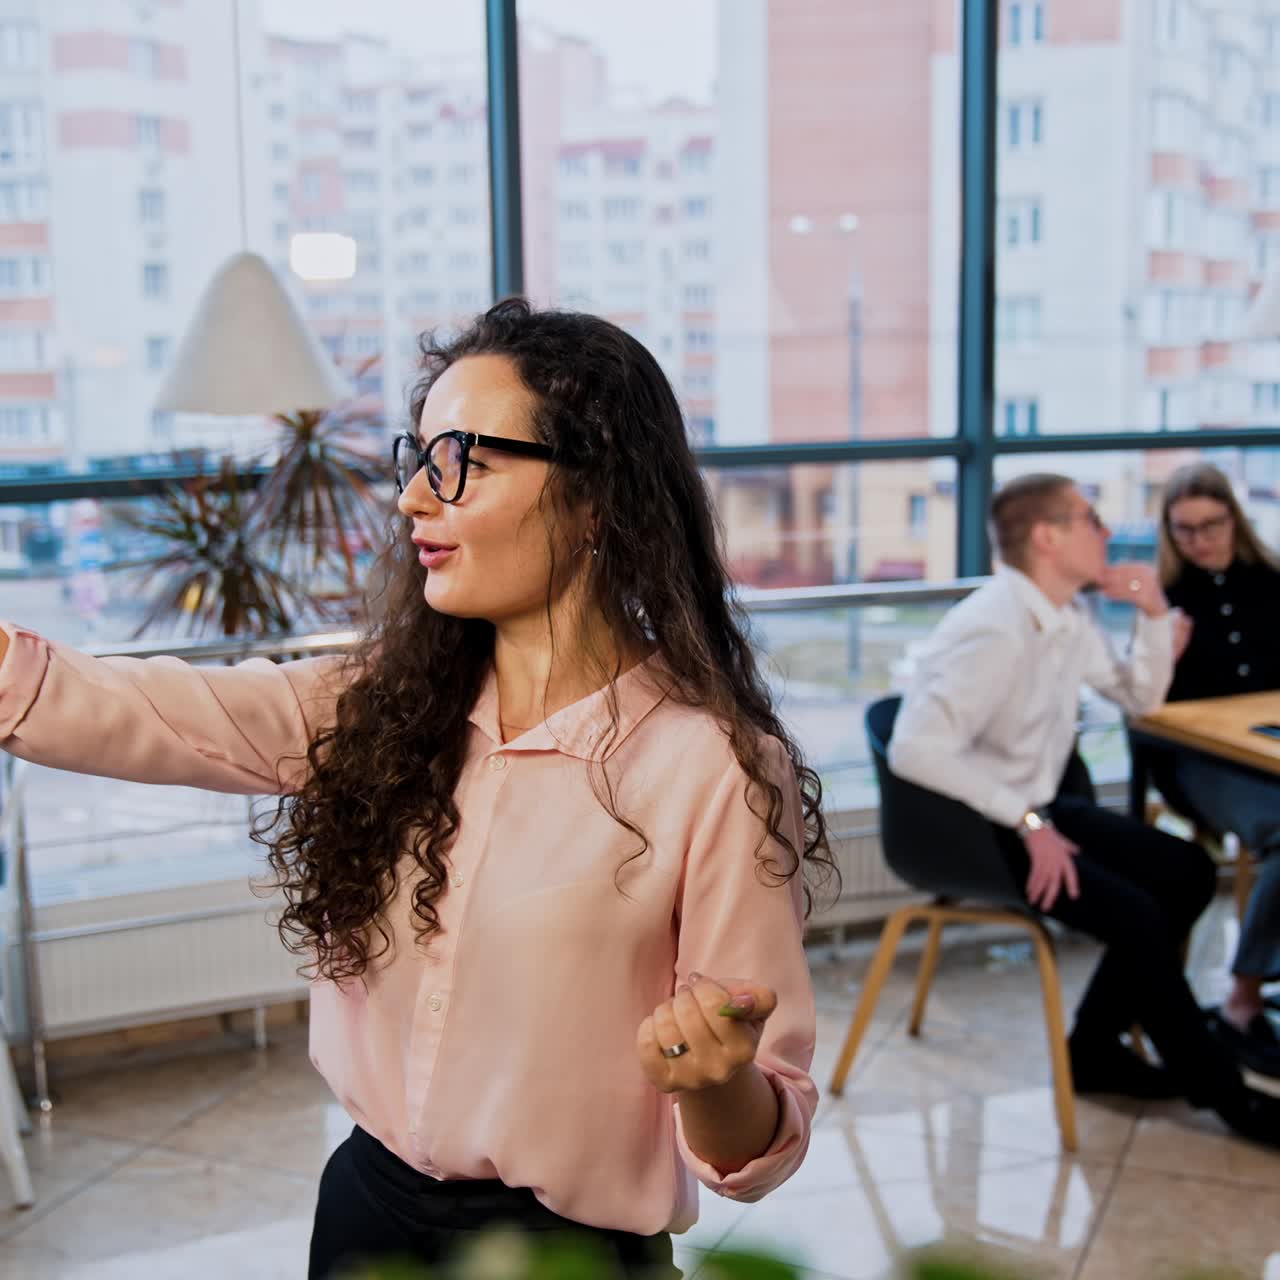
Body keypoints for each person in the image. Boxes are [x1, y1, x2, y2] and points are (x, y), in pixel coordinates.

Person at [0, 300, 836, 1277]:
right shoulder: (374, 706)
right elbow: (137, 706)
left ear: (594, 490)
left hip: (561, 1253)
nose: (411, 499)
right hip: (364, 1211)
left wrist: (717, 1080)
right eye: (417, 456)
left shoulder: (712, 765)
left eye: (461, 462)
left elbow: (752, 1138)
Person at [889, 472, 1280, 1149]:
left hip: (1033, 808)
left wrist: (1156, 616)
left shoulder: (1067, 616)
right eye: (1090, 518)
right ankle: (1226, 1095)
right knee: (1138, 917)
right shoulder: (993, 627)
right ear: (1048, 537)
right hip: (973, 826)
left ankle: (1094, 1050)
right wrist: (1031, 823)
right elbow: (913, 750)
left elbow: (1140, 699)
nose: (1106, 531)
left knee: (1187, 872)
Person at [1152, 461, 1280, 1077]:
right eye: (1185, 530)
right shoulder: (1164, 601)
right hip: (1198, 763)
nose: (1200, 540)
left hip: (1265, 749)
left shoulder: (1270, 579)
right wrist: (1161, 651)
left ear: (1235, 517)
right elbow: (1142, 702)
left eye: (1212, 524)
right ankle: (1242, 997)